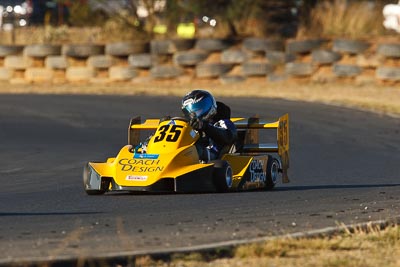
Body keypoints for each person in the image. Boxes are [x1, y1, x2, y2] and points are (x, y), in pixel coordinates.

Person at [181, 89, 237, 162]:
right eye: (191, 112)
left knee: (194, 149)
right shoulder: (189, 125)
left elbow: (229, 136)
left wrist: (205, 127)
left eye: (198, 110)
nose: (195, 114)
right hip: (190, 153)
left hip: (211, 155)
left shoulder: (221, 122)